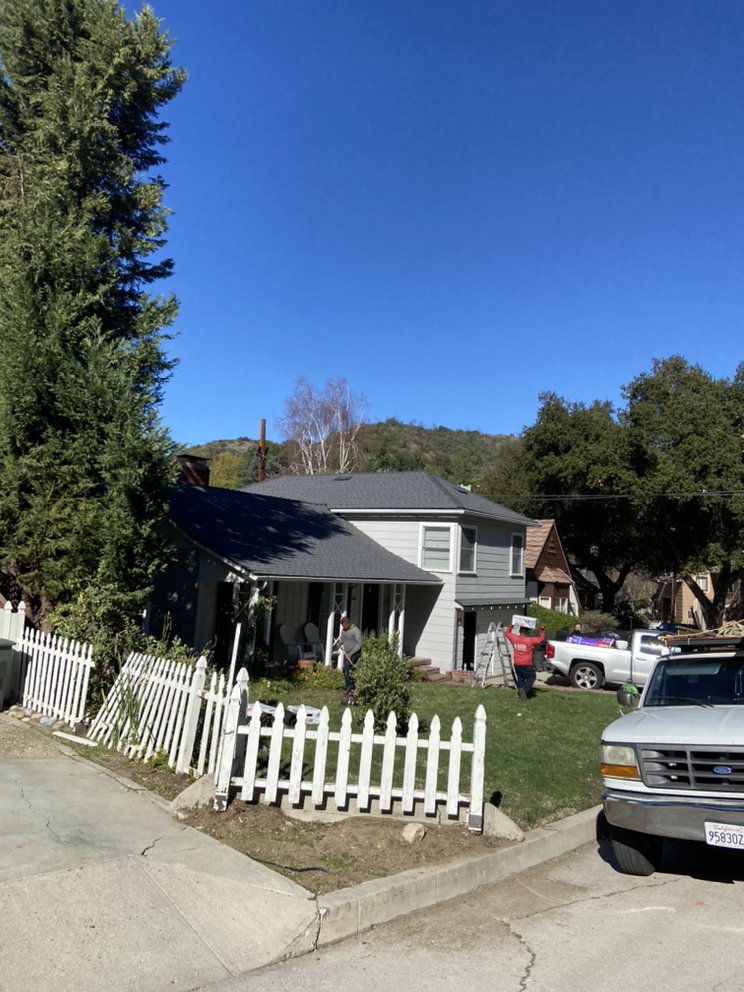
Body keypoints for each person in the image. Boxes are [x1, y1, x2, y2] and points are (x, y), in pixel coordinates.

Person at [504, 624, 547, 701]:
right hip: (526, 664)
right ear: (527, 632)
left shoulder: (514, 638)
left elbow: (507, 633)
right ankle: (523, 690)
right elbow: (541, 639)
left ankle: (521, 695)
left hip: (517, 663)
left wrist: (512, 625)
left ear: (520, 631)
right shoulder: (530, 640)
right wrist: (542, 630)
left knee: (520, 679)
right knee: (531, 677)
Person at [334, 616, 362, 701]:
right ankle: (350, 687)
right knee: (347, 670)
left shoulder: (355, 631)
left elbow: (359, 644)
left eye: (344, 626)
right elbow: (342, 640)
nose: (343, 628)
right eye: (342, 626)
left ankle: (350, 686)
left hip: (355, 653)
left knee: (346, 668)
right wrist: (339, 643)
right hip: (347, 654)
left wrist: (351, 653)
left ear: (349, 623)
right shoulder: (343, 631)